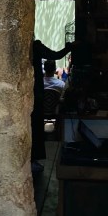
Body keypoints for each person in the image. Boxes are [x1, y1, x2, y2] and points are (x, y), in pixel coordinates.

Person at [31, 38, 73, 172]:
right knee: (36, 127)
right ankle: (34, 159)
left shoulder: (28, 48)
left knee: (33, 125)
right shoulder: (35, 46)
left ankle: (32, 159)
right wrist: (70, 47)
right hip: (39, 96)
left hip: (33, 91)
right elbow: (55, 55)